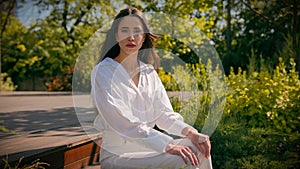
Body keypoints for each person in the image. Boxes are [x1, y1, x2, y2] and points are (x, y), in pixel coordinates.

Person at [91, 7, 213, 169]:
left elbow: (163, 114)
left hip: (149, 148)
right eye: (125, 30)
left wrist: (191, 132)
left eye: (137, 31)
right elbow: (120, 119)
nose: (131, 37)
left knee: (199, 149)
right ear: (116, 35)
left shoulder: (149, 72)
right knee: (185, 159)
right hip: (119, 154)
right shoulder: (103, 71)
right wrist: (167, 145)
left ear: (144, 37)